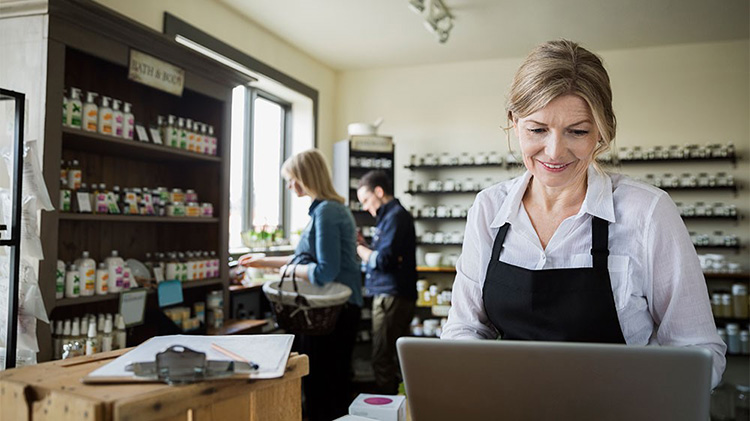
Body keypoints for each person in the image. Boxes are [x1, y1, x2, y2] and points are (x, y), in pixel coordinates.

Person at [440, 39, 726, 387]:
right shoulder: (489, 209)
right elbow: (465, 327)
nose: (554, 151)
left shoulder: (647, 212)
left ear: (602, 133)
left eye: (577, 131)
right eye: (537, 129)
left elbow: (699, 353)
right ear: (514, 123)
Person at [239, 149, 363, 421]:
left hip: (333, 312)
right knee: (329, 384)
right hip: (334, 309)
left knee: (323, 387)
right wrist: (264, 262)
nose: (289, 185)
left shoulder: (327, 212)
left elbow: (323, 272)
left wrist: (287, 270)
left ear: (305, 177)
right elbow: (305, 257)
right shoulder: (327, 209)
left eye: (291, 178)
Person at [355, 170, 418, 394]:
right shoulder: (388, 218)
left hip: (391, 297)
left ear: (379, 192)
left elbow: (383, 260)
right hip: (390, 294)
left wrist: (359, 249)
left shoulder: (395, 217)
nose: (363, 207)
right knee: (389, 355)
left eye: (365, 200)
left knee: (383, 357)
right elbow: (386, 256)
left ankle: (388, 409)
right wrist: (368, 248)